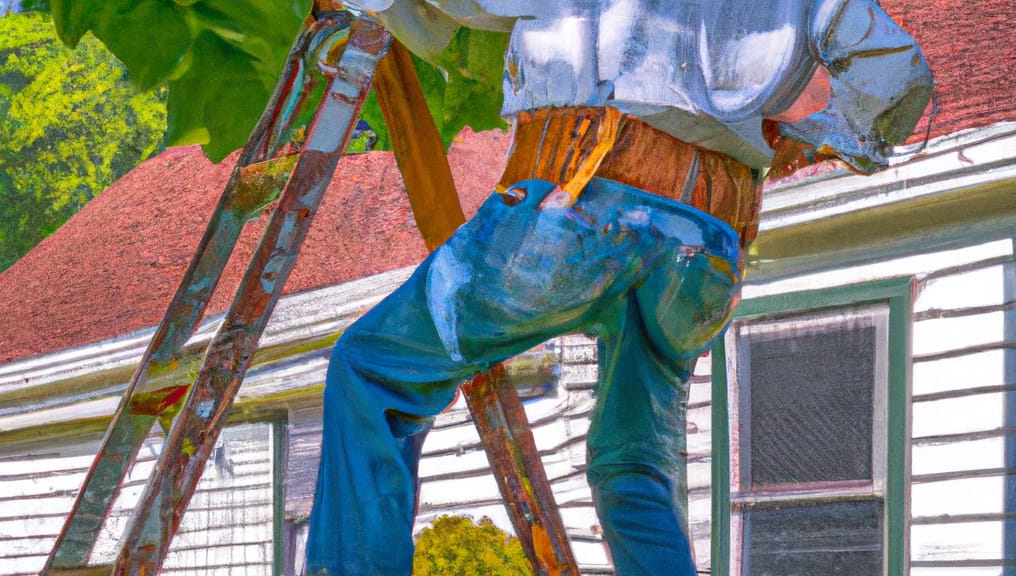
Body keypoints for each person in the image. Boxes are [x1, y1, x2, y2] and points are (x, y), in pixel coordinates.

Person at [305, 1, 933, 574]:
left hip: (576, 198)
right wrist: (826, 133)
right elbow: (896, 70)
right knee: (634, 466)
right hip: (707, 240)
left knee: (373, 372)